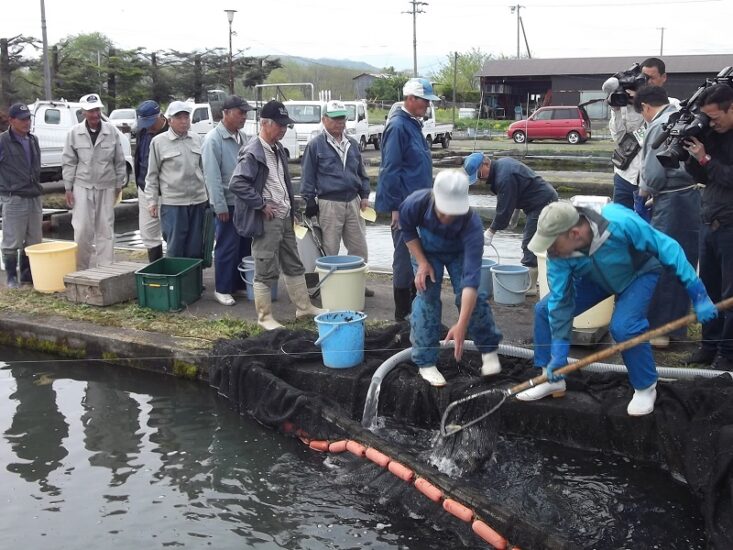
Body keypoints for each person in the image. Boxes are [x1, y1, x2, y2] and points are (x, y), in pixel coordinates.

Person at [517, 201, 717, 416]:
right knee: (544, 311)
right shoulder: (560, 255)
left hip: (638, 274)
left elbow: (668, 249)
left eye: (552, 243)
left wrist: (698, 293)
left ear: (574, 233)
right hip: (596, 278)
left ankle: (646, 387)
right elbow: (560, 303)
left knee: (624, 326)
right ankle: (552, 378)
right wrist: (557, 353)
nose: (550, 250)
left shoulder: (620, 221)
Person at [399, 169, 503, 387]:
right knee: (426, 297)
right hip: (426, 251)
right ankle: (426, 362)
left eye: (453, 212)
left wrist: (461, 324)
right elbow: (408, 231)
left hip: (459, 253)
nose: (447, 218)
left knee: (473, 298)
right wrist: (422, 262)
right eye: (443, 211)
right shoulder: (414, 203)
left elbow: (470, 281)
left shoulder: (472, 224)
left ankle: (488, 349)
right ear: (434, 198)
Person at [229, 101, 323, 330]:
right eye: (279, 125)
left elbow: (281, 183)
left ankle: (304, 306)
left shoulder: (277, 148)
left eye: (285, 125)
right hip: (267, 220)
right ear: (264, 123)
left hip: (284, 216)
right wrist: (261, 204)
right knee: (265, 265)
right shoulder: (252, 151)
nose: (283, 129)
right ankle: (264, 317)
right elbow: (237, 183)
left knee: (293, 262)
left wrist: (293, 209)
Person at [634, 85, 700, 348]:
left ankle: (658, 330)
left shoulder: (658, 125)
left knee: (659, 261)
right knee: (685, 260)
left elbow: (653, 174)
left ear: (646, 108)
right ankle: (678, 327)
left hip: (671, 201)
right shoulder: (684, 118)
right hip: (693, 197)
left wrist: (645, 192)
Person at [376, 77, 439, 321]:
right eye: (425, 100)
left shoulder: (413, 124)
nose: (427, 105)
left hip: (421, 204)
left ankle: (417, 309)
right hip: (404, 206)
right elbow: (390, 169)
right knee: (403, 258)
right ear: (410, 99)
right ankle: (402, 314)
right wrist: (394, 208)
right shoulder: (398, 126)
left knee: (419, 256)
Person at [300, 100, 373, 297]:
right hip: (329, 202)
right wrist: (309, 200)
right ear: (324, 120)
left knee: (359, 246)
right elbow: (308, 175)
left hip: (353, 200)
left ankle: (357, 283)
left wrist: (365, 194)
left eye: (342, 118)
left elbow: (361, 172)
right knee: (329, 248)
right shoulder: (315, 146)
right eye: (334, 118)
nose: (339, 122)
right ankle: (327, 288)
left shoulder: (353, 144)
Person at [683, 83, 733, 370]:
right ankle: (709, 345)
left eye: (716, 117)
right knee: (709, 290)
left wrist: (706, 159)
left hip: (731, 226)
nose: (712, 123)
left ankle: (727, 354)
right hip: (709, 221)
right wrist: (694, 157)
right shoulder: (714, 133)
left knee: (730, 296)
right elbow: (703, 175)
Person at [463, 152, 557, 295]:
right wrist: (515, 213)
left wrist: (491, 231)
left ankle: (531, 286)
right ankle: (545, 280)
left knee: (530, 243)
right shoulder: (502, 166)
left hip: (543, 203)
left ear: (486, 164)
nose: (480, 180)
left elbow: (503, 209)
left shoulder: (504, 177)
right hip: (537, 202)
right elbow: (519, 191)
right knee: (539, 243)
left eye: (480, 175)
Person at [62, 93, 126, 270]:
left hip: (106, 186)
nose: (95, 115)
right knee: (82, 229)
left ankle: (106, 270)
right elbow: (69, 162)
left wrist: (119, 184)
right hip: (82, 186)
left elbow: (119, 160)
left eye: (97, 110)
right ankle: (80, 269)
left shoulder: (111, 131)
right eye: (91, 111)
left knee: (105, 229)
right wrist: (68, 188)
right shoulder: (73, 133)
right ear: (83, 112)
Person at [202, 95, 253, 306]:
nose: (244, 117)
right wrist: (219, 205)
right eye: (240, 112)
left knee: (244, 246)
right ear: (226, 112)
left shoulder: (244, 137)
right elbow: (211, 176)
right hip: (227, 202)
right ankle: (222, 288)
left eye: (245, 113)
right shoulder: (213, 139)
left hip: (243, 202)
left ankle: (237, 284)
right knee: (225, 246)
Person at [145, 101, 208, 259]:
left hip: (198, 201)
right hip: (173, 204)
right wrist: (152, 201)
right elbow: (152, 175)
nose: (183, 121)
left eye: (186, 117)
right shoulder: (158, 142)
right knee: (175, 247)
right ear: (170, 120)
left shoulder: (197, 139)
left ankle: (194, 283)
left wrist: (209, 197)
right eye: (178, 117)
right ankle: (176, 283)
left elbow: (204, 170)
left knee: (196, 247)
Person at [0, 103, 42, 288]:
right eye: (22, 119)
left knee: (34, 240)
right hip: (14, 196)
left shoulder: (33, 140)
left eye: (28, 118)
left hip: (33, 195)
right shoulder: (2, 141)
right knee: (12, 240)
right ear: (11, 120)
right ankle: (11, 277)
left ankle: (27, 275)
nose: (27, 122)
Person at [133, 100, 167, 263]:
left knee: (173, 233)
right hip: (145, 188)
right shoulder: (142, 132)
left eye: (151, 122)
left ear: (160, 116)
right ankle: (156, 268)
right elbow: (139, 157)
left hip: (167, 192)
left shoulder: (171, 131)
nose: (148, 127)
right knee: (148, 232)